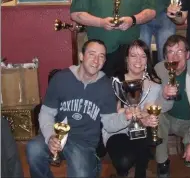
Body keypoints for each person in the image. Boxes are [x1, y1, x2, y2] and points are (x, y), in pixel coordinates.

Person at [26, 39, 135, 178]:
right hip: (58, 135)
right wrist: (50, 136)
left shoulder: (106, 87)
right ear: (82, 56)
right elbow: (46, 112)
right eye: (92, 54)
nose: (96, 60)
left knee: (81, 174)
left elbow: (109, 123)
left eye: (101, 56)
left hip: (84, 143)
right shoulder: (61, 78)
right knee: (33, 149)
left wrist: (125, 117)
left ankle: (93, 164)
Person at [154, 35, 190, 178]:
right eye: (170, 52)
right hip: (168, 118)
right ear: (165, 56)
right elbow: (154, 105)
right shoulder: (159, 69)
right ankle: (162, 162)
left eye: (179, 51)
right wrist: (164, 95)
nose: (175, 56)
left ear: (188, 54)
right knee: (156, 116)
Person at [103, 39, 162, 178]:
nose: (138, 60)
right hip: (116, 130)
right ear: (126, 59)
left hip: (140, 130)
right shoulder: (114, 82)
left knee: (143, 133)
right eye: (133, 55)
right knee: (124, 161)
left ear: (147, 60)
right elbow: (113, 115)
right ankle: (122, 172)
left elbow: (148, 111)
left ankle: (140, 174)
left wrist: (144, 118)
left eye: (143, 56)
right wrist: (134, 114)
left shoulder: (154, 86)